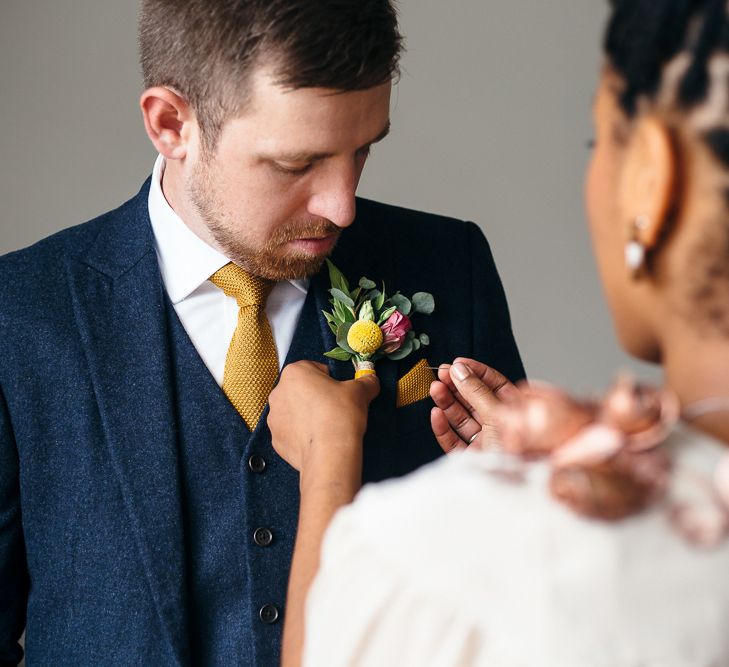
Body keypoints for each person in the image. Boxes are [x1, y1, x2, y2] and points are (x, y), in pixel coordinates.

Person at [0, 1, 525, 665]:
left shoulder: (448, 268)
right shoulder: (19, 311)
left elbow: (514, 603)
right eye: (295, 163)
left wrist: (522, 498)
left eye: (361, 150)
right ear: (171, 124)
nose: (341, 205)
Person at [268, 0, 729, 664]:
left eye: (596, 143)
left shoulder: (430, 561)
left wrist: (330, 462)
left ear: (652, 181)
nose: (342, 206)